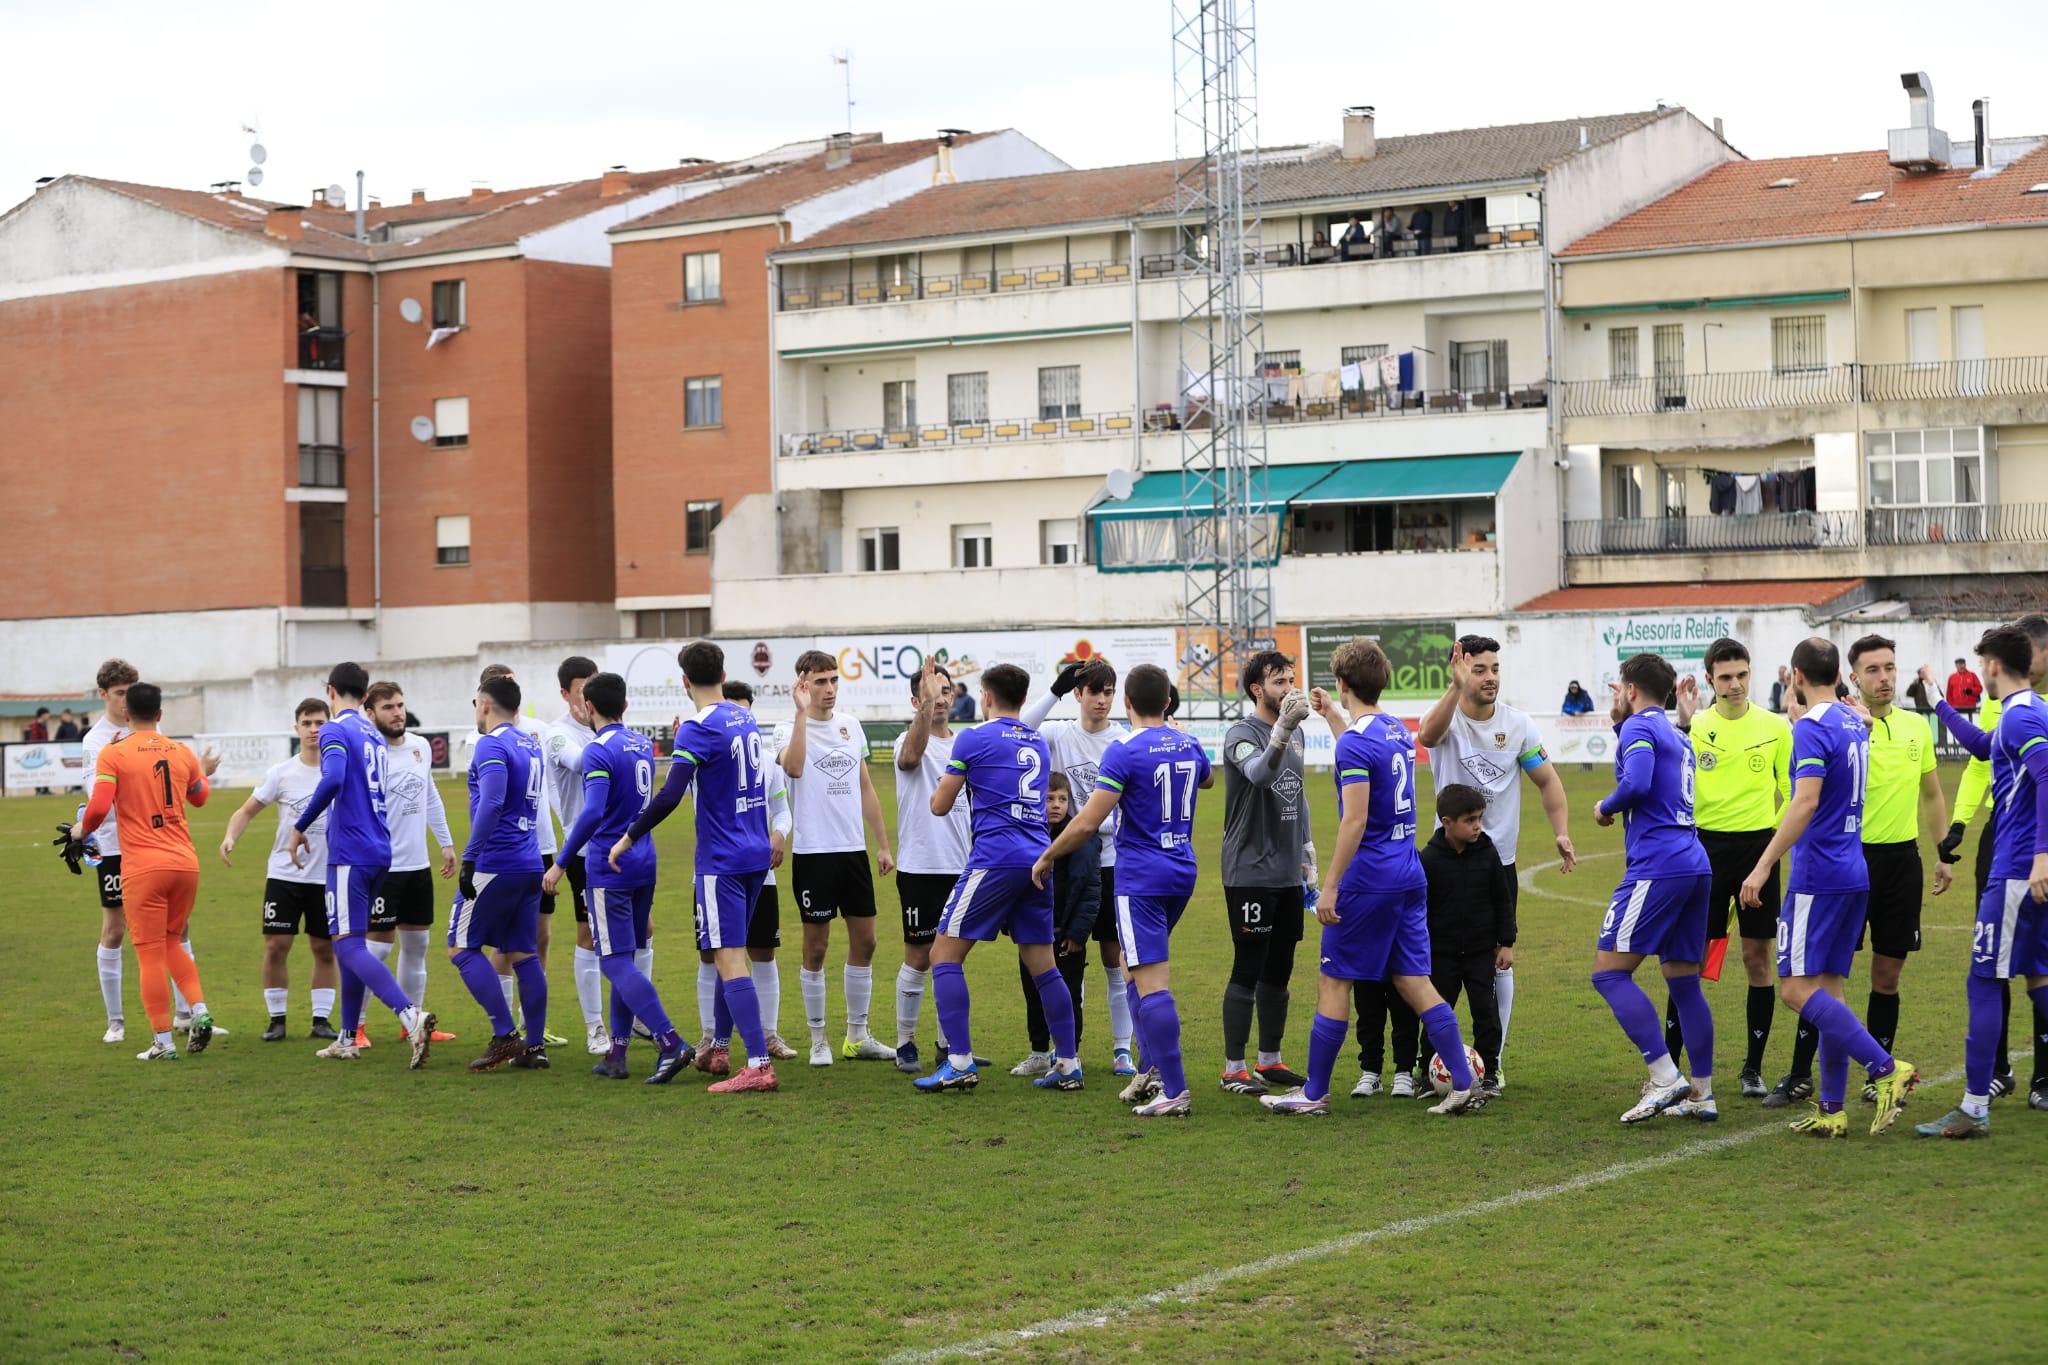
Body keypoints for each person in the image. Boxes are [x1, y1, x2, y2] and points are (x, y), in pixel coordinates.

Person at [1262, 638, 1486, 1117]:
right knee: (1412, 980)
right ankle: (1465, 1083)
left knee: (1334, 981)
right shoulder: (1394, 731)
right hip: (1408, 874)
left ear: (1342, 683)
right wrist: (1333, 717)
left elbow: (1355, 820)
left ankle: (1314, 1093)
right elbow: (1362, 748)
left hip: (1370, 879)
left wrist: (1332, 885)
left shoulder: (1358, 744)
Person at [1738, 638, 1915, 1138]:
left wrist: (1763, 865)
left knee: (1795, 989)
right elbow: (1858, 723)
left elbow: (1805, 801)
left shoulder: (1814, 728)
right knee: (1830, 994)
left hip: (1818, 877)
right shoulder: (1849, 720)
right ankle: (1832, 1108)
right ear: (1839, 673)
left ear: (1795, 675)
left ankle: (1885, 1068)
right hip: (1854, 870)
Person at [1037, 663, 1212, 1116]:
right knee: (1130, 968)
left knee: (1151, 981)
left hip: (1141, 876)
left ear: (1127, 702)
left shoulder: (1124, 749)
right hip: (1182, 870)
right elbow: (1208, 778)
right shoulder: (1188, 742)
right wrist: (1179, 735)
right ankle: (1150, 1069)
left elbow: (1088, 822)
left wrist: (1048, 855)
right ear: (1168, 702)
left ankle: (1174, 1089)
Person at [1409, 634, 1575, 1088]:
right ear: (1461, 671)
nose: (1489, 678)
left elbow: (1548, 782)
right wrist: (1453, 687)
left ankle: (1492, 1063)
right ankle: (1431, 1066)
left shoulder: (1518, 725)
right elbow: (1427, 736)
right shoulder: (1445, 719)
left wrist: (1560, 831)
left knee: (1499, 962)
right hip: (1444, 862)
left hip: (1496, 865)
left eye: (1494, 669)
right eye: (1479, 669)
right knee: (1436, 962)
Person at [917, 663, 1082, 1095]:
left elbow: (939, 805)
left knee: (944, 954)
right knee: (1043, 966)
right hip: (1037, 859)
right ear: (1023, 699)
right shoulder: (1035, 742)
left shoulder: (972, 737)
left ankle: (958, 1062)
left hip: (995, 858)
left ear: (986, 697)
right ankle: (1067, 1062)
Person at [1921, 625, 2048, 1137]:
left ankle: (1974, 1107)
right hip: (2024, 869)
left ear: (1993, 666)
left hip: (2017, 870)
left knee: (1984, 980)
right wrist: (1935, 699)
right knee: (2038, 977)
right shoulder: (2027, 711)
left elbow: (2047, 778)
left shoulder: (2021, 716)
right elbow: (1979, 746)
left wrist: (2041, 856)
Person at [552, 670, 697, 1086]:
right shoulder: (639, 744)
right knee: (626, 959)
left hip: (608, 865)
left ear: (589, 707)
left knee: (613, 961)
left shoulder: (598, 750)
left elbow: (594, 811)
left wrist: (562, 862)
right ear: (626, 705)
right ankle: (616, 1053)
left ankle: (670, 1042)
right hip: (643, 860)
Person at [1589, 653, 1717, 1123]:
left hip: (1658, 865)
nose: (1614, 696)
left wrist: (1606, 805)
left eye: (1616, 688)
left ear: (1630, 689)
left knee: (1608, 973)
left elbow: (1639, 782)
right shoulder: (1678, 736)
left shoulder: (1638, 729)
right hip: (1693, 860)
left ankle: (1665, 1076)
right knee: (1684, 983)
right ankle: (1702, 1094)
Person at [291, 661, 437, 1066]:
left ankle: (412, 1016)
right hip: (380, 850)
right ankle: (347, 1036)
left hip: (351, 853)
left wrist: (300, 825)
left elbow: (334, 778)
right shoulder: (373, 734)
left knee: (350, 944)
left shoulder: (336, 729)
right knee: (350, 946)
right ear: (365, 692)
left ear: (330, 690)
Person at [73, 659, 219, 1044]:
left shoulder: (151, 736)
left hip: (151, 847)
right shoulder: (97, 741)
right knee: (116, 929)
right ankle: (116, 1021)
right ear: (104, 695)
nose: (125, 701)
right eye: (119, 693)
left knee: (174, 931)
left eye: (129, 692)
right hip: (116, 847)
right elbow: (98, 801)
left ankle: (185, 1016)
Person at [1834, 636, 1949, 1105]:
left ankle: (1879, 1071)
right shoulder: (1840, 724)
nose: (1884, 678)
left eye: (1890, 668)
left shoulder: (1916, 727)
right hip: (1848, 860)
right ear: (1854, 677)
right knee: (1825, 976)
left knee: (1888, 975)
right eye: (1874, 670)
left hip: (1902, 862)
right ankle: (1803, 1073)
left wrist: (1944, 851)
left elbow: (1932, 794)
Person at [1678, 638, 1792, 1103]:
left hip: (1757, 852)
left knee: (1756, 958)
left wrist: (1767, 859)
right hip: (1704, 852)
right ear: (1710, 680)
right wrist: (1684, 723)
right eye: (1725, 677)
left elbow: (1792, 795)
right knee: (1688, 959)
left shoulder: (1776, 727)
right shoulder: (1695, 725)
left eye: (1742, 675)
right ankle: (1673, 1066)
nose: (1735, 685)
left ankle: (1752, 1068)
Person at [773, 650, 897, 1065]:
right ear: (803, 684)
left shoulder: (851, 725)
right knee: (817, 946)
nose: (828, 689)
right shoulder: (785, 729)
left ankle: (857, 1036)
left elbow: (864, 786)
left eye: (833, 680)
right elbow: (792, 769)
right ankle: (818, 1039)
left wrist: (881, 843)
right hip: (814, 855)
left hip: (852, 853)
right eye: (819, 682)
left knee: (867, 941)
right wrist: (800, 715)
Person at [1022, 658, 1138, 1075]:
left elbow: (1124, 808)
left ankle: (1122, 1047)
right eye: (1094, 691)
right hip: (1065, 863)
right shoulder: (1058, 733)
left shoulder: (1123, 741)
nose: (1102, 700)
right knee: (1067, 956)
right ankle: (1064, 1048)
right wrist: (1053, 690)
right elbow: (1020, 728)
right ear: (1079, 694)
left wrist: (1093, 824)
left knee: (1116, 956)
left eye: (1109, 692)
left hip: (1111, 862)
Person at [1216, 650, 1316, 1096]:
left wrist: (1307, 849)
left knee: (1280, 969)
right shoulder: (1242, 733)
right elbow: (1258, 774)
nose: (1289, 689)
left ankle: (1269, 1060)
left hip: (1286, 872)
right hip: (1249, 871)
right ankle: (1233, 1066)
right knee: (1248, 966)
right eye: (1279, 682)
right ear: (1257, 689)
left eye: (1292, 680)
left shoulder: (1294, 734)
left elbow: (1297, 792)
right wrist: (1281, 730)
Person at [218, 698, 340, 1042]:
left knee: (324, 947)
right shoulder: (282, 773)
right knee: (276, 945)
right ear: (296, 728)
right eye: (307, 723)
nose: (314, 730)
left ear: (328, 727)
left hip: (325, 874)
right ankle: (277, 1019)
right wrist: (230, 837)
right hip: (284, 875)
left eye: (320, 723)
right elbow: (245, 811)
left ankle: (321, 1020)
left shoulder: (340, 771)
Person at [449, 674, 549, 1072]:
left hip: (496, 861)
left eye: (475, 703)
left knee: (460, 948)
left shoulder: (492, 743)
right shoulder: (530, 743)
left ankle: (505, 1036)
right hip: (529, 862)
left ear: (485, 705)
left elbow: (491, 803)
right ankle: (534, 1046)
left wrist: (470, 857)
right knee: (524, 954)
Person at [704, 681, 798, 1064]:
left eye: (745, 712)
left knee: (762, 952)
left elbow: (783, 811)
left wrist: (779, 834)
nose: (738, 719)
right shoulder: (708, 755)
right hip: (715, 871)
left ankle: (768, 1037)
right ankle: (711, 1038)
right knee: (715, 957)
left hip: (759, 872)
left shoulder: (764, 760)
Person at [363, 681, 459, 1049]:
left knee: (417, 945)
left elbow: (429, 794)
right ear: (370, 714)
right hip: (382, 867)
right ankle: (356, 1025)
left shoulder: (420, 747)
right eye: (388, 707)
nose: (397, 712)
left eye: (400, 705)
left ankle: (413, 1022)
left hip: (418, 867)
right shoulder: (367, 753)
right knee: (377, 950)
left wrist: (445, 842)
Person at [478, 664, 567, 1049]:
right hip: (507, 851)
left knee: (538, 936)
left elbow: (553, 787)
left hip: (538, 845)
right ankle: (508, 1027)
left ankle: (529, 1024)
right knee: (503, 943)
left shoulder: (538, 732)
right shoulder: (482, 737)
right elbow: (489, 799)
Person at [896, 661, 974, 1075]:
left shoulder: (966, 744)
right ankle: (905, 1042)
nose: (941, 698)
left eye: (946, 691)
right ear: (917, 700)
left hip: (962, 867)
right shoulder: (906, 740)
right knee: (919, 957)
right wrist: (924, 708)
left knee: (952, 958)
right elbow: (911, 758)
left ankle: (950, 1045)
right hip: (921, 867)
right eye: (931, 691)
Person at [543, 656, 608, 1056]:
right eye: (580, 691)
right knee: (588, 935)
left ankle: (633, 1014)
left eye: (593, 689)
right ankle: (595, 1027)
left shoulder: (607, 728)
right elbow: (582, 761)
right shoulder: (556, 734)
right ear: (566, 693)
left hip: (623, 846)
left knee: (645, 930)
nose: (587, 699)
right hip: (583, 851)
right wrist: (612, 736)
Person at [1016, 772, 1099, 1073]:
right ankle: (1038, 1052)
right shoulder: (1026, 833)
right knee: (1033, 992)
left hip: (1067, 935)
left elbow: (1090, 890)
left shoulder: (1079, 839)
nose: (1055, 805)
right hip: (1034, 931)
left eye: (1062, 799)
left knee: (1069, 993)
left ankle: (1069, 1054)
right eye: (1049, 798)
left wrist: (1078, 932)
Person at [27, 707, 49, 793]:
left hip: (44, 750)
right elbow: (34, 738)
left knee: (46, 769)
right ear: (42, 715)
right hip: (37, 751)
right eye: (47, 714)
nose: (48, 716)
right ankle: (39, 789)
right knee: (37, 768)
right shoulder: (35, 725)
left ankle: (45, 788)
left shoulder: (44, 724)